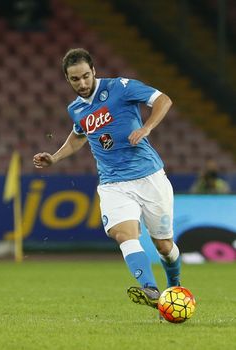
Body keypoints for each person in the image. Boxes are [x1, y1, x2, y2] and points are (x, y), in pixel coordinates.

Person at [33, 48, 181, 312]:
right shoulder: (75, 108)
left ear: (94, 71)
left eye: (86, 76)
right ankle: (151, 289)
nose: (82, 83)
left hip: (149, 177)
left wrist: (146, 128)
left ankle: (175, 286)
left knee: (164, 246)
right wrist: (54, 158)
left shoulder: (121, 87)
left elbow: (163, 100)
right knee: (124, 234)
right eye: (75, 79)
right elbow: (79, 135)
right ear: (67, 79)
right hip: (113, 183)